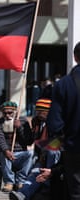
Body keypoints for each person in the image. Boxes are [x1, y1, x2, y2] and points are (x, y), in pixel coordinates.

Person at [9, 98, 61, 200]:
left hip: (54, 159)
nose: (38, 113)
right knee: (35, 173)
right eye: (37, 111)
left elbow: (58, 142)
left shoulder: (57, 122)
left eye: (41, 111)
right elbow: (30, 141)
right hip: (41, 156)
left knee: (51, 151)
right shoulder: (36, 121)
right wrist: (20, 128)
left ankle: (47, 186)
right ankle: (22, 194)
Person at [47, 41, 80, 200]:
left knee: (75, 191)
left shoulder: (63, 84)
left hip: (73, 147)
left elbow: (55, 121)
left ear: (75, 57)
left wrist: (57, 145)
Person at [0, 101, 34, 192]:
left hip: (20, 153)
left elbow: (29, 142)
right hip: (7, 153)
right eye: (5, 113)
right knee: (3, 154)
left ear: (15, 112)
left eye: (10, 113)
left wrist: (20, 128)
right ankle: (9, 182)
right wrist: (6, 151)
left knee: (31, 153)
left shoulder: (23, 121)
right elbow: (0, 139)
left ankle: (20, 181)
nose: (7, 115)